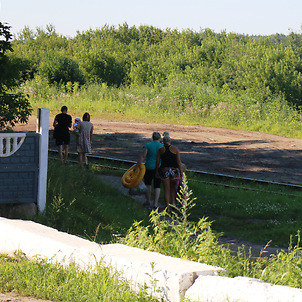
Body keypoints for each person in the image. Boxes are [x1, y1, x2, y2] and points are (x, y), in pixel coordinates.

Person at [136, 131, 163, 209]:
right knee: (157, 186)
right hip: (159, 168)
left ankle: (148, 201)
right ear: (160, 138)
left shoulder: (147, 145)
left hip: (149, 167)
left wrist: (138, 165)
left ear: (152, 137)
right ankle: (155, 203)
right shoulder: (162, 146)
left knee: (148, 184)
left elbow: (143, 156)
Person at [156, 134, 183, 212]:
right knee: (173, 188)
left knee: (166, 189)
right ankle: (173, 203)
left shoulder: (160, 150)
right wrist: (181, 171)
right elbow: (178, 161)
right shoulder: (175, 149)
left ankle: (168, 206)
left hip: (164, 170)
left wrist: (156, 171)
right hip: (174, 170)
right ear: (170, 141)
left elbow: (158, 162)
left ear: (163, 142)